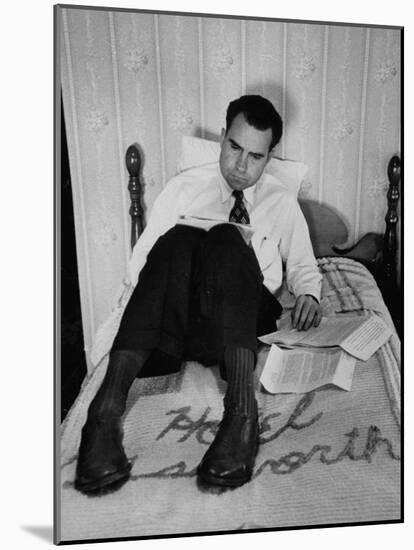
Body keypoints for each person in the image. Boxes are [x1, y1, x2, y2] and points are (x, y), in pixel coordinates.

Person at [75, 95, 322, 494]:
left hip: (242, 320)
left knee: (228, 237)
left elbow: (304, 267)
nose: (241, 166)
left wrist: (308, 294)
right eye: (235, 148)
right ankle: (104, 413)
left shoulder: (281, 202)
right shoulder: (183, 188)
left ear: (269, 157)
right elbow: (143, 266)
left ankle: (241, 412)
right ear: (222, 138)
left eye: (255, 157)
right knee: (178, 240)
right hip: (180, 322)